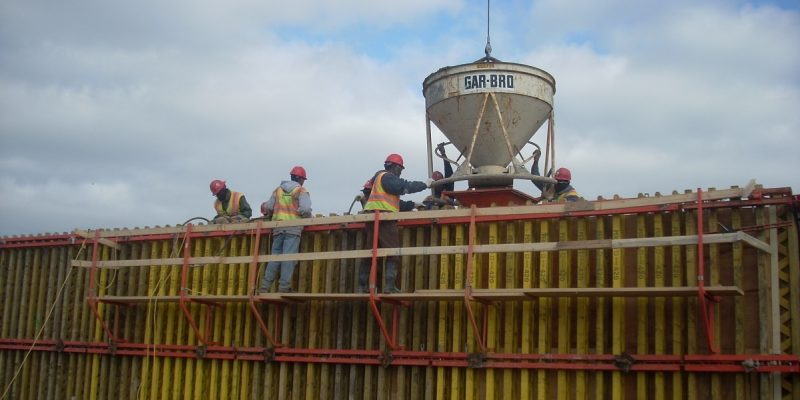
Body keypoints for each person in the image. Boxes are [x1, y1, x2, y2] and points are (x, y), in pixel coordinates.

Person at [357, 153, 428, 293]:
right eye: (400, 169)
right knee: (393, 252)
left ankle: (363, 286)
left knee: (371, 252)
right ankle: (389, 286)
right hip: (384, 219)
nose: (400, 172)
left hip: (373, 218)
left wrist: (413, 204)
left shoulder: (380, 180)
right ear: (395, 167)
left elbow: (394, 202)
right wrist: (424, 185)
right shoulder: (387, 177)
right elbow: (404, 186)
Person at [259, 166, 312, 293]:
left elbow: (269, 207)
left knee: (274, 258)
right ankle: (284, 287)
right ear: (300, 179)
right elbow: (305, 209)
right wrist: (305, 216)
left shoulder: (278, 190)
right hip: (292, 229)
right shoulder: (301, 190)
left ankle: (264, 287)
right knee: (288, 258)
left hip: (278, 228)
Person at [423, 143, 459, 209]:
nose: (437, 185)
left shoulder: (448, 186)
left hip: (448, 209)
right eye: (436, 182)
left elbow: (448, 170)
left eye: (439, 182)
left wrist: (443, 153)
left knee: (446, 204)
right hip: (436, 210)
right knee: (429, 201)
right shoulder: (434, 192)